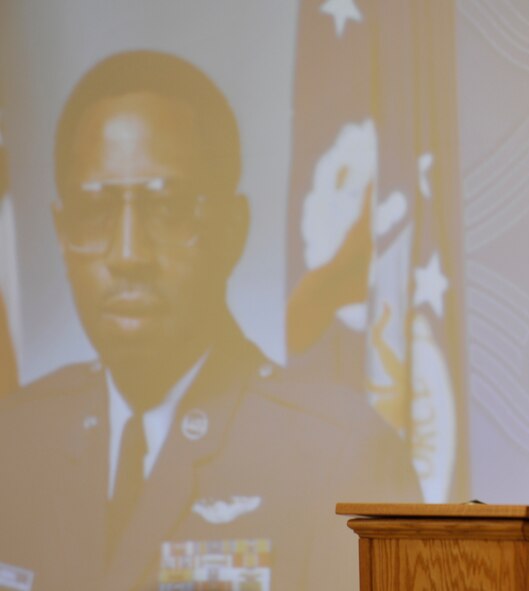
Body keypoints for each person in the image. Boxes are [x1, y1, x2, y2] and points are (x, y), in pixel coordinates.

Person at [0, 50, 421, 590]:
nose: (129, 253)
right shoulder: (15, 444)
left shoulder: (335, 456)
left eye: (168, 208)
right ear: (62, 234)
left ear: (233, 230)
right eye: (97, 212)